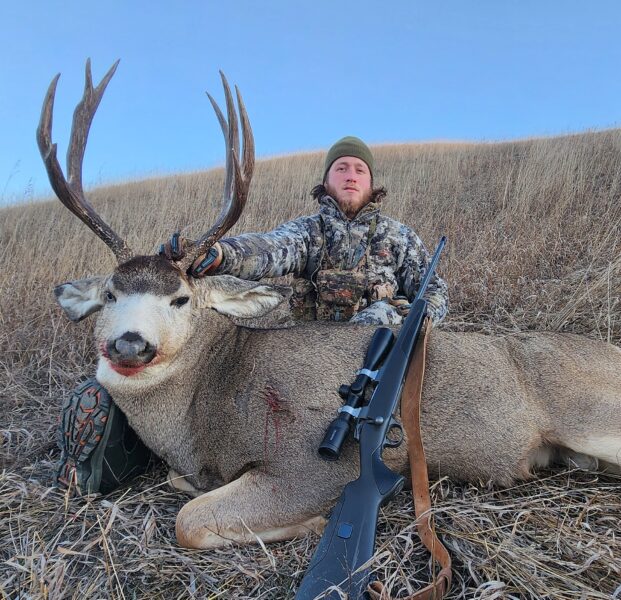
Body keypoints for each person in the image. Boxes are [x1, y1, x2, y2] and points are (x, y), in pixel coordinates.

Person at [55, 136, 449, 494]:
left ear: (371, 181)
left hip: (382, 358)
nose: (351, 175)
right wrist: (221, 255)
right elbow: (268, 250)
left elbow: (434, 292)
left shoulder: (400, 238)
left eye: (359, 169)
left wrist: (408, 323)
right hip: (308, 363)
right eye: (341, 168)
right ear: (326, 181)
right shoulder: (309, 233)